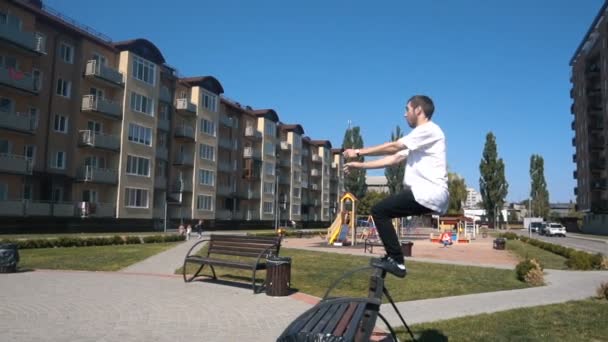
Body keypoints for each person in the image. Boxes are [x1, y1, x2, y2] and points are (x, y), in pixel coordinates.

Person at [343, 95, 448, 278]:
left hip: (430, 192)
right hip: (427, 194)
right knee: (382, 211)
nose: (404, 114)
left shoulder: (429, 130)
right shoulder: (419, 139)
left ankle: (397, 261)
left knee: (379, 211)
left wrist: (358, 152)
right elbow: (394, 158)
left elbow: (394, 147)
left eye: (407, 109)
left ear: (418, 110)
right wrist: (359, 165)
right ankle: (394, 259)